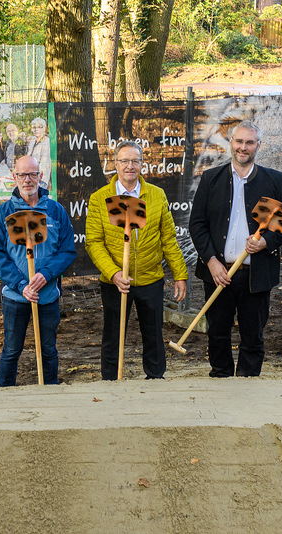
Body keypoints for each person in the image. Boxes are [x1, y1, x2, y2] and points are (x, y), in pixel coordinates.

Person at [189, 121, 282, 377]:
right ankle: (221, 378)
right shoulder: (211, 178)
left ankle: (248, 382)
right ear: (231, 143)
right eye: (239, 141)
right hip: (218, 273)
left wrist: (265, 242)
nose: (243, 147)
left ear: (258, 145)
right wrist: (211, 261)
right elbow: (197, 224)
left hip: (256, 273)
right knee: (217, 333)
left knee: (253, 335)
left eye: (249, 142)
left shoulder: (275, 181)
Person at [85, 140, 188, 380]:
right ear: (115, 164)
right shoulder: (100, 198)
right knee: (113, 334)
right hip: (115, 282)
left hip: (150, 279)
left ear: (142, 164)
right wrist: (113, 273)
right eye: (124, 161)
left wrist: (180, 274)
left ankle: (155, 379)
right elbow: (94, 242)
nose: (129, 166)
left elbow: (168, 239)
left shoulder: (156, 195)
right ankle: (110, 381)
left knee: (153, 335)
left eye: (135, 161)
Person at [0, 156, 76, 386]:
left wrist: (46, 274)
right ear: (14, 177)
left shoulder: (55, 210)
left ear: (40, 176)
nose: (27, 180)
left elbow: (67, 250)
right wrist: (20, 285)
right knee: (11, 350)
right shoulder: (4, 212)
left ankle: (49, 393)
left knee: (48, 349)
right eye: (22, 175)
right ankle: (6, 396)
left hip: (47, 296)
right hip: (16, 297)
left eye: (32, 174)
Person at [26, 117, 51, 189]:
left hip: (40, 179)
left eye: (39, 127)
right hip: (30, 177)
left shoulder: (47, 142)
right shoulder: (32, 142)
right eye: (34, 127)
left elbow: (44, 164)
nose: (36, 129)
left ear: (44, 129)